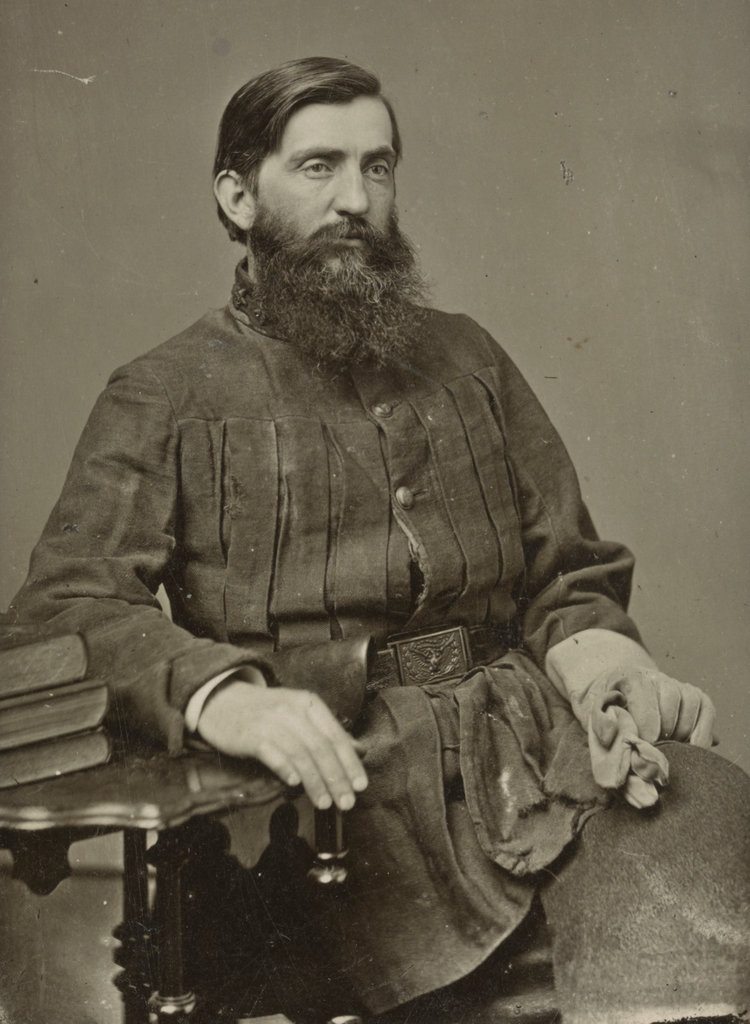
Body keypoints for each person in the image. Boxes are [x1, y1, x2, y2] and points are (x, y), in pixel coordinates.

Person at [4, 57, 749, 1023]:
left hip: (535, 758)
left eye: (378, 167)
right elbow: (64, 608)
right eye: (319, 167)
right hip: (329, 807)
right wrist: (226, 697)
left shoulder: (469, 355)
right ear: (237, 196)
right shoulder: (165, 392)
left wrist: (610, 675)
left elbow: (566, 573)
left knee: (706, 826)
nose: (356, 200)